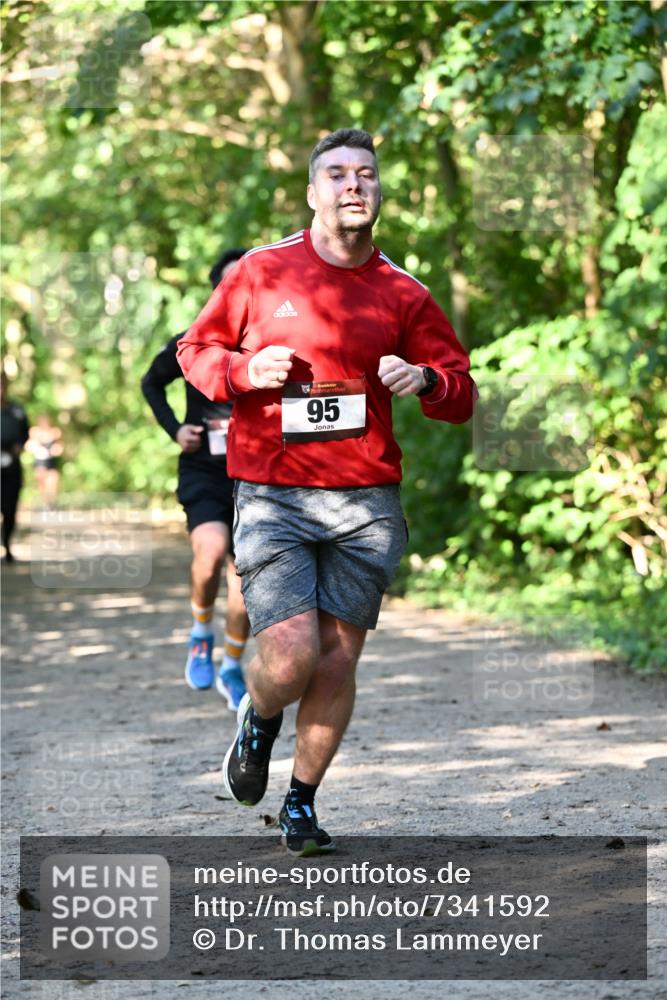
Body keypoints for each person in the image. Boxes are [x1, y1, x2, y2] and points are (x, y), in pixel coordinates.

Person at [177, 129, 476, 856]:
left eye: (366, 174)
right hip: (274, 491)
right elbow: (195, 351)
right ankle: (258, 716)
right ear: (312, 192)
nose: (352, 185)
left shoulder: (404, 291)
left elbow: (460, 391)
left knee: (338, 660)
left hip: (366, 499)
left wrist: (427, 380)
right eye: (337, 174)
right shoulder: (258, 272)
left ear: (377, 193)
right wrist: (245, 373)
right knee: (290, 653)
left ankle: (301, 804)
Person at [141, 249, 250, 709]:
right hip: (205, 468)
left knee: (246, 577)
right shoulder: (192, 340)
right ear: (216, 291)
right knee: (209, 554)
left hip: (257, 473)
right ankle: (201, 632)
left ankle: (231, 665)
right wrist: (175, 429)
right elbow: (151, 382)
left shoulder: (272, 342)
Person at [1, 370, 30, 564]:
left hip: (11, 464)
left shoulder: (16, 410)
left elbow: (25, 433)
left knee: (10, 508)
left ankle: (8, 545)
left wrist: (19, 446)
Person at [27, 414, 63, 509]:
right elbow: (29, 445)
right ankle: (44, 503)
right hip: (40, 461)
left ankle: (52, 502)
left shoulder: (54, 432)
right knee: (42, 483)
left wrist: (56, 450)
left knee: (53, 482)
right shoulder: (34, 432)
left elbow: (59, 447)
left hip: (51, 461)